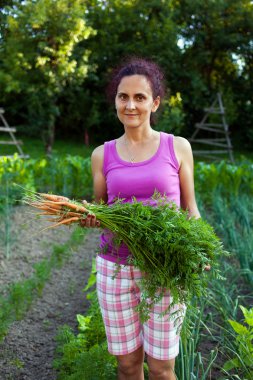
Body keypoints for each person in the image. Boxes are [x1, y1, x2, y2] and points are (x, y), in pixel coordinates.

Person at [81, 57, 205, 380]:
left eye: (140, 97)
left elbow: (190, 210)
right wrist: (91, 217)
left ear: (155, 103)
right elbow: (102, 208)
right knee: (127, 366)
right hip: (115, 269)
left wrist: (199, 248)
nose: (131, 105)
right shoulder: (101, 155)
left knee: (162, 369)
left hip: (165, 266)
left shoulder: (177, 147)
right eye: (124, 97)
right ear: (116, 102)